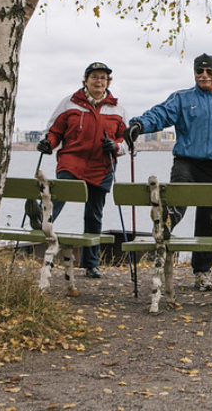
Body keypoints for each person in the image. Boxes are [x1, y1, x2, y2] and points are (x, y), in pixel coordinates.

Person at [124, 53, 212, 291]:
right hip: (187, 160)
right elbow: (160, 114)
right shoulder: (182, 98)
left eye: (209, 71)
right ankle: (165, 221)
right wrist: (140, 124)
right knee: (179, 196)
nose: (204, 75)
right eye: (200, 71)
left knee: (209, 216)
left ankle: (202, 272)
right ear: (194, 73)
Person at [35, 62, 130, 279]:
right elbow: (53, 130)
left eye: (103, 78)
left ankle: (91, 263)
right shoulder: (69, 104)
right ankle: (40, 228)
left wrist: (115, 147)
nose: (99, 81)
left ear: (108, 82)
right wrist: (47, 143)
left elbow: (126, 141)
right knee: (56, 201)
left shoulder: (118, 109)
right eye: (95, 77)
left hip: (101, 167)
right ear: (85, 80)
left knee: (94, 214)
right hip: (72, 163)